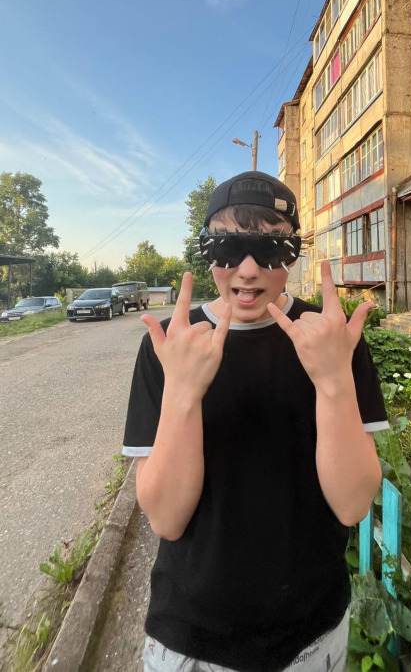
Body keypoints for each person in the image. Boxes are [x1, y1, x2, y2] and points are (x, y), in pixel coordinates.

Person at [122, 171, 389, 672]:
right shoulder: (171, 344)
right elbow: (166, 518)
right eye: (227, 246)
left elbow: (353, 504)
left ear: (294, 254)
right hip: (191, 635)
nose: (247, 270)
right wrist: (182, 391)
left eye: (270, 247)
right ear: (206, 251)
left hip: (312, 633)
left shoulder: (332, 339)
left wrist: (334, 379)